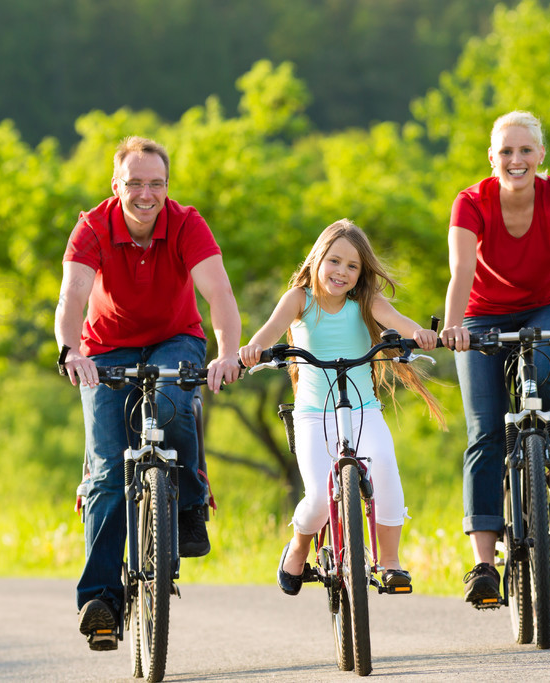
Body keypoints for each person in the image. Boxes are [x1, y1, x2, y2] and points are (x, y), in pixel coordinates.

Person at [55, 136, 241, 650]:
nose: (146, 193)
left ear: (166, 187)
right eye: (134, 183)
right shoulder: (92, 227)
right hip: (105, 347)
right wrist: (71, 351)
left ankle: (189, 502)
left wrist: (227, 353)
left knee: (174, 399)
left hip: (175, 337)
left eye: (156, 183)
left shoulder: (186, 223)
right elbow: (71, 296)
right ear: (116, 186)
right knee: (109, 470)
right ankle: (101, 601)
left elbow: (219, 293)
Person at [439, 111, 550, 606]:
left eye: (526, 151)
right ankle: (483, 565)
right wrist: (453, 328)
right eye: (506, 152)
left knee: (542, 367)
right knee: (486, 430)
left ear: (541, 156)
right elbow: (462, 272)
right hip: (480, 318)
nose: (516, 160)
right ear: (492, 158)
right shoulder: (470, 203)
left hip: (548, 307)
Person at [238, 219, 444, 595]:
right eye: (334, 261)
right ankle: (299, 547)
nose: (342, 272)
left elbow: (399, 323)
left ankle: (391, 560)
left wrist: (422, 334)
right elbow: (267, 332)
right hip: (314, 415)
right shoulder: (299, 299)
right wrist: (252, 350)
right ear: (317, 259)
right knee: (317, 497)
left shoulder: (365, 301)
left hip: (363, 409)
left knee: (383, 464)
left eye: (353, 266)